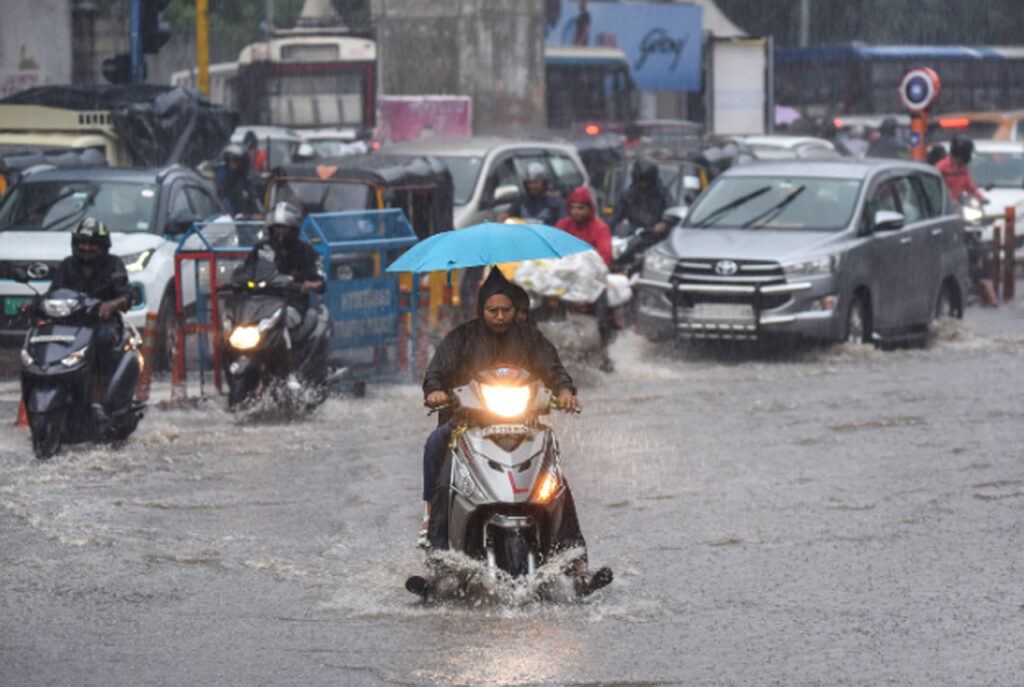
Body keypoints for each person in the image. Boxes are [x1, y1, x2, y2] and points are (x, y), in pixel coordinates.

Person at [417, 269, 609, 592]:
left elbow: (554, 368)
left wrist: (564, 390)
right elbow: (436, 372)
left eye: (506, 309)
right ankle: (437, 562)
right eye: (493, 310)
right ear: (481, 310)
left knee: (556, 481)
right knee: (438, 445)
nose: (501, 316)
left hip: (525, 425)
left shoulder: (530, 337)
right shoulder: (462, 338)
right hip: (470, 423)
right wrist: (435, 390)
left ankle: (578, 566)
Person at [47, 218, 132, 419]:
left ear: (102, 245)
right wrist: (34, 304)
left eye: (92, 243)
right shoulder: (67, 265)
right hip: (70, 326)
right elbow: (54, 293)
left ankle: (97, 399)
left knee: (103, 339)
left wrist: (112, 304)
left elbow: (127, 296)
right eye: (82, 243)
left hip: (102, 325)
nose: (86, 247)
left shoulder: (114, 264)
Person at [239, 202, 325, 390]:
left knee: (281, 324)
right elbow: (246, 271)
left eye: (285, 227)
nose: (281, 232)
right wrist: (235, 281)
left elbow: (320, 279)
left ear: (293, 229)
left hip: (292, 304)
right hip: (261, 304)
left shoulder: (306, 251)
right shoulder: (262, 249)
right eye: (277, 227)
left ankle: (291, 373)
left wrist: (311, 284)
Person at [554, 186, 615, 371]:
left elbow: (605, 258)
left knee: (601, 320)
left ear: (589, 208)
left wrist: (583, 267)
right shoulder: (562, 226)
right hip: (563, 282)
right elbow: (551, 249)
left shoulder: (600, 228)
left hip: (592, 285)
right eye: (573, 207)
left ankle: (604, 355)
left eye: (581, 207)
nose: (577, 212)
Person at [607, 157, 672, 238]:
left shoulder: (662, 194)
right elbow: (615, 217)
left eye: (647, 180)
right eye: (641, 180)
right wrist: (605, 230)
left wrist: (664, 224)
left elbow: (671, 213)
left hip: (657, 236)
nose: (644, 184)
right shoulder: (628, 195)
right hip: (634, 235)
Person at [500, 162, 565, 225]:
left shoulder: (555, 202)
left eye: (536, 182)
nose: (532, 186)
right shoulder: (521, 200)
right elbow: (506, 216)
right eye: (529, 183)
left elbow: (562, 224)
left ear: (544, 183)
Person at [936, 134, 988, 204]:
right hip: (943, 206)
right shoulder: (941, 168)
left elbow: (971, 187)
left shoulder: (963, 169)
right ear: (962, 153)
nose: (969, 156)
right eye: (968, 153)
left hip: (959, 206)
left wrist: (982, 198)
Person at [217, 143, 262, 218]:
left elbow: (259, 210)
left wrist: (252, 216)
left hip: (250, 224)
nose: (231, 164)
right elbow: (219, 201)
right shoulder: (226, 181)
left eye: (235, 160)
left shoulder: (252, 181)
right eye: (228, 160)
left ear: (243, 162)